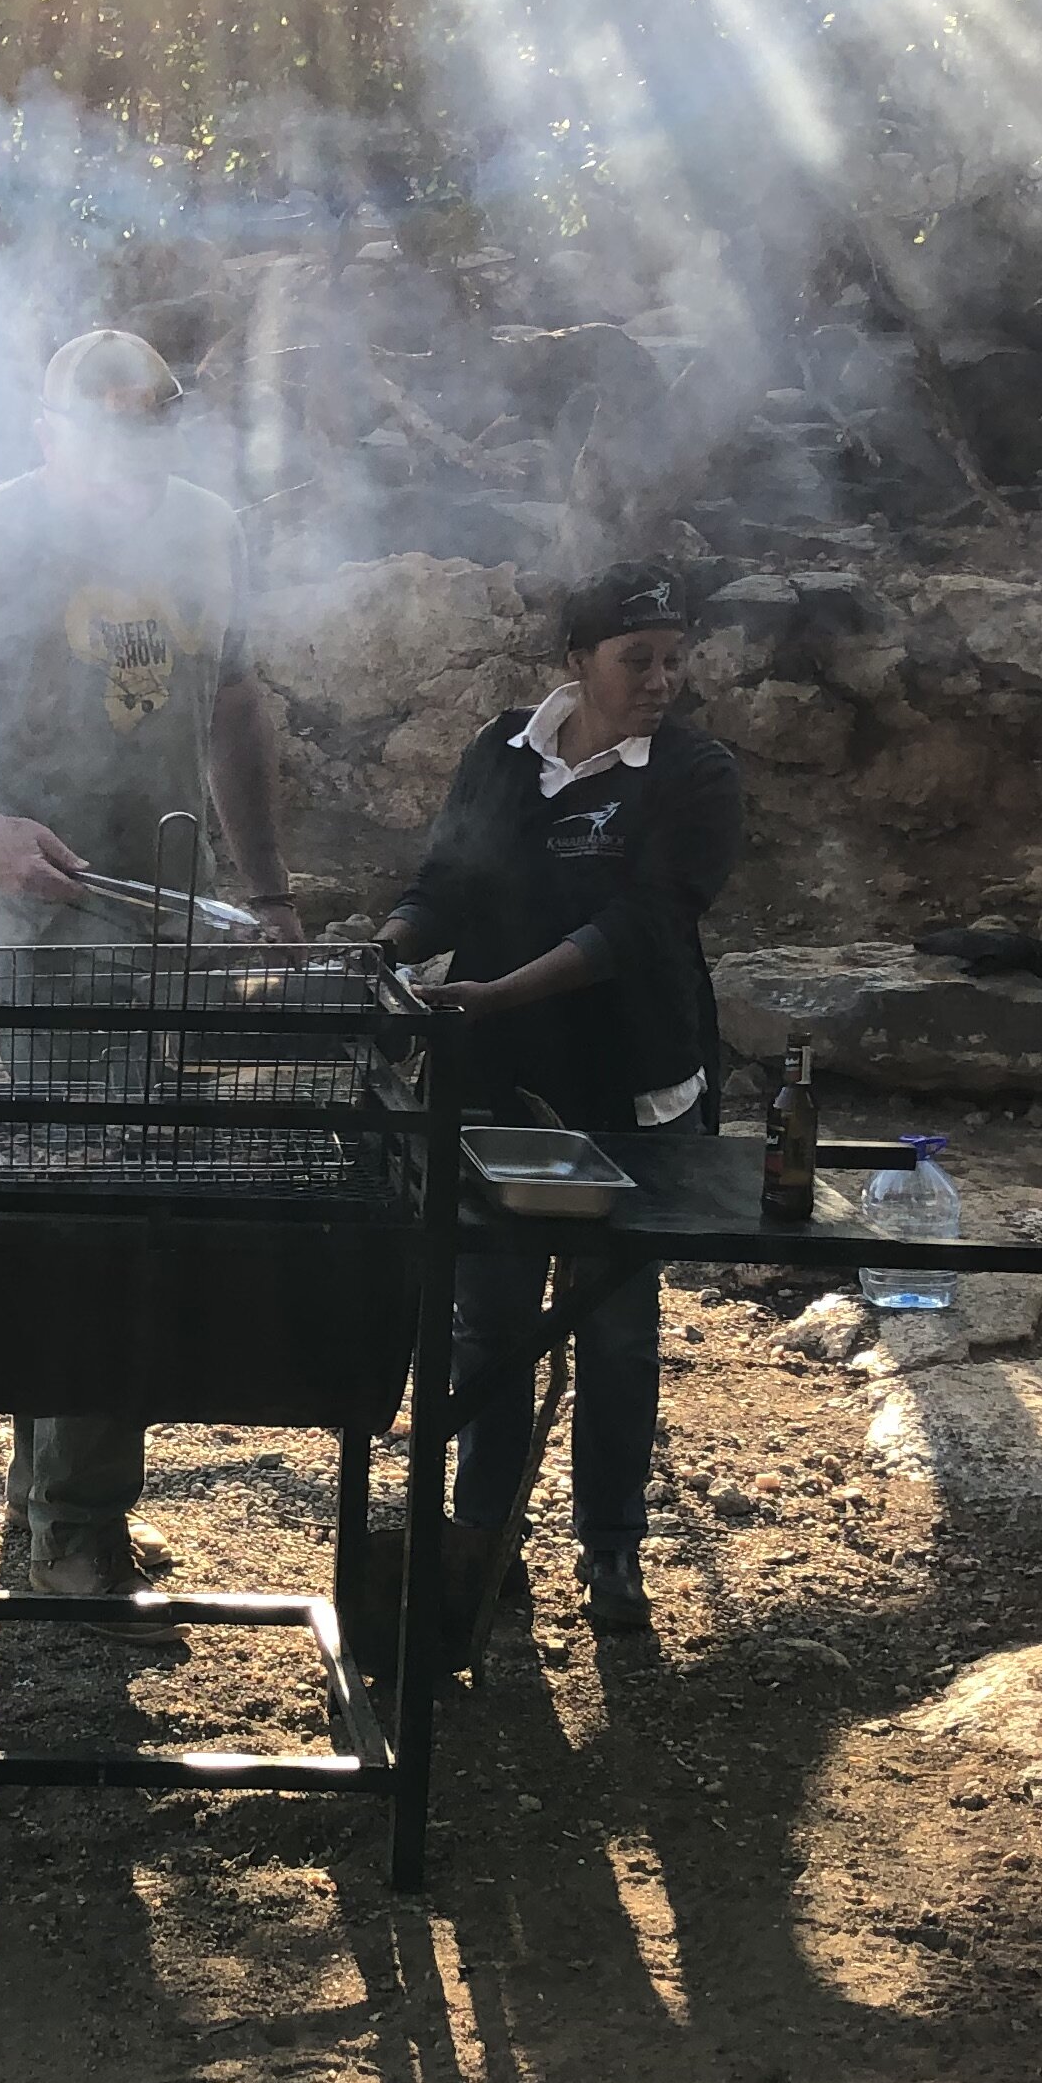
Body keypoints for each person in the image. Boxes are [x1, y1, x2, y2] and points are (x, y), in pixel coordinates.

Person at [0, 327, 298, 1597]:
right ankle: (74, 1533)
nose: (133, 457)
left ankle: (53, 1512)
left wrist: (267, 888)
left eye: (153, 427)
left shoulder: (207, 529)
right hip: (31, 945)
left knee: (126, 1217)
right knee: (79, 1221)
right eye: (106, 431)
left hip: (170, 927)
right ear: (49, 433)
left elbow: (234, 703)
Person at [378, 566, 744, 1636]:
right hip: (495, 1087)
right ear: (576, 662)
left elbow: (645, 925)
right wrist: (390, 947)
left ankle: (612, 1549)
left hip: (629, 1087)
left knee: (617, 1328)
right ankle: (485, 1540)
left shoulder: (693, 772)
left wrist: (494, 993)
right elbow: (443, 881)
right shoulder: (500, 752)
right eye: (639, 661)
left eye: (677, 659)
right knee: (489, 1323)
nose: (663, 681)